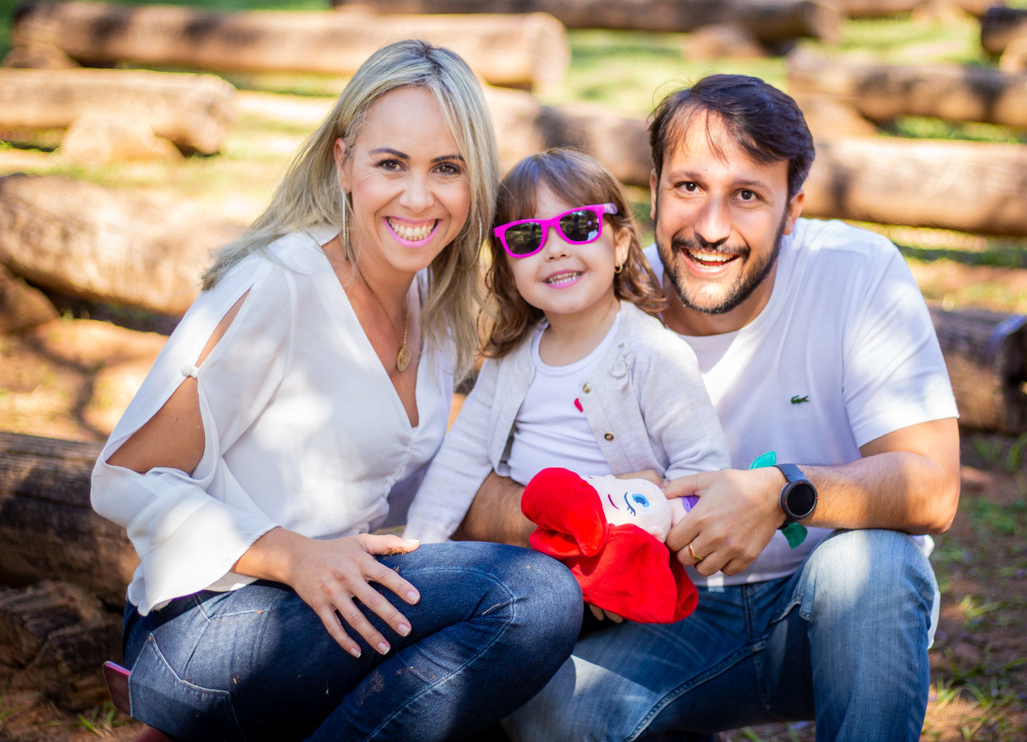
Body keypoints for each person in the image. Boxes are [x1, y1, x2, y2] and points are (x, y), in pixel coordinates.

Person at [89, 40, 582, 742]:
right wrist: (293, 554)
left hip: (325, 614)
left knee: (512, 654)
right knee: (531, 599)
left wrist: (583, 513)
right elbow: (123, 479)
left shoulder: (434, 304)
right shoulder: (279, 285)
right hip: (204, 629)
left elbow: (417, 494)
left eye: (448, 168)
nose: (418, 197)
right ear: (343, 162)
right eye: (391, 164)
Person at [457, 74, 962, 742]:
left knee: (875, 568)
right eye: (689, 187)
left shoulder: (857, 272)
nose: (711, 227)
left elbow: (933, 486)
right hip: (661, 617)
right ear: (655, 191)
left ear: (792, 209)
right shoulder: (594, 294)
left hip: (821, 613)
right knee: (554, 713)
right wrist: (585, 515)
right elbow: (470, 479)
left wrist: (781, 492)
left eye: (747, 195)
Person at [404, 149, 728, 574]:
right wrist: (416, 550)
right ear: (507, 268)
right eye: (526, 237)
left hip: (614, 571)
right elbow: (462, 457)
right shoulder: (513, 359)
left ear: (620, 245)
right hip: (518, 561)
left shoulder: (653, 354)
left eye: (578, 226)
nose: (555, 249)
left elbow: (703, 470)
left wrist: (639, 520)